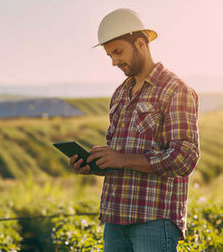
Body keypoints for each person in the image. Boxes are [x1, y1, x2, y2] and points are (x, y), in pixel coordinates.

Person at [69, 8, 200, 252]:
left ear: (141, 43)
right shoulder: (119, 94)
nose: (114, 61)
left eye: (118, 52)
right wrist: (95, 165)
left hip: (153, 219)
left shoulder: (175, 90)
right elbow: (120, 161)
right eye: (109, 55)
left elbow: (185, 157)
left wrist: (122, 159)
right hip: (115, 219)